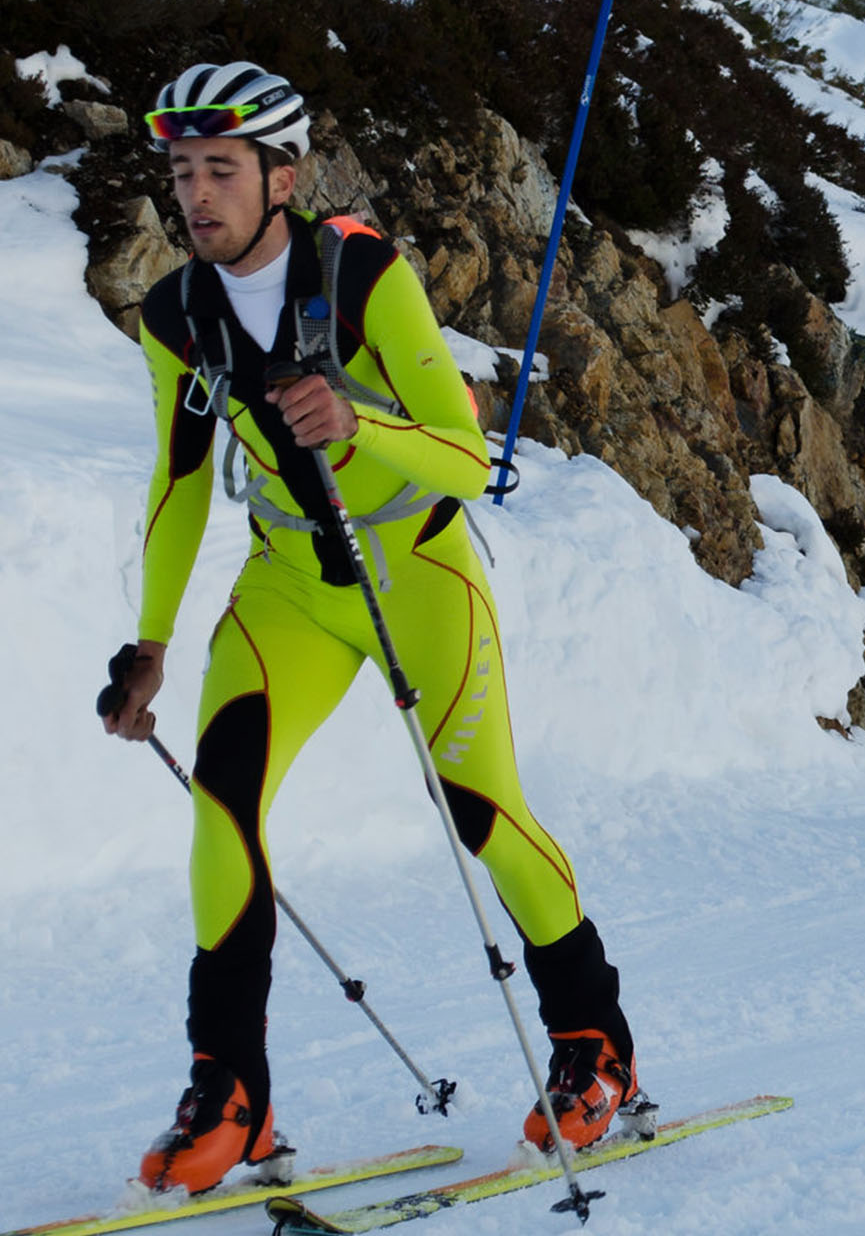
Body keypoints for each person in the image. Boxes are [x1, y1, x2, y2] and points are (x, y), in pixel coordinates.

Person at [100, 63, 638, 1193]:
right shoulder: (177, 314)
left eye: (221, 169)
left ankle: (597, 1044)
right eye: (182, 172)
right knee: (222, 807)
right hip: (289, 583)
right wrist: (150, 643)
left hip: (416, 569)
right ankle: (231, 1092)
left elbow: (467, 457)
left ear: (282, 177)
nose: (195, 194)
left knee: (483, 813)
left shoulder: (360, 273)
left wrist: (359, 423)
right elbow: (178, 480)